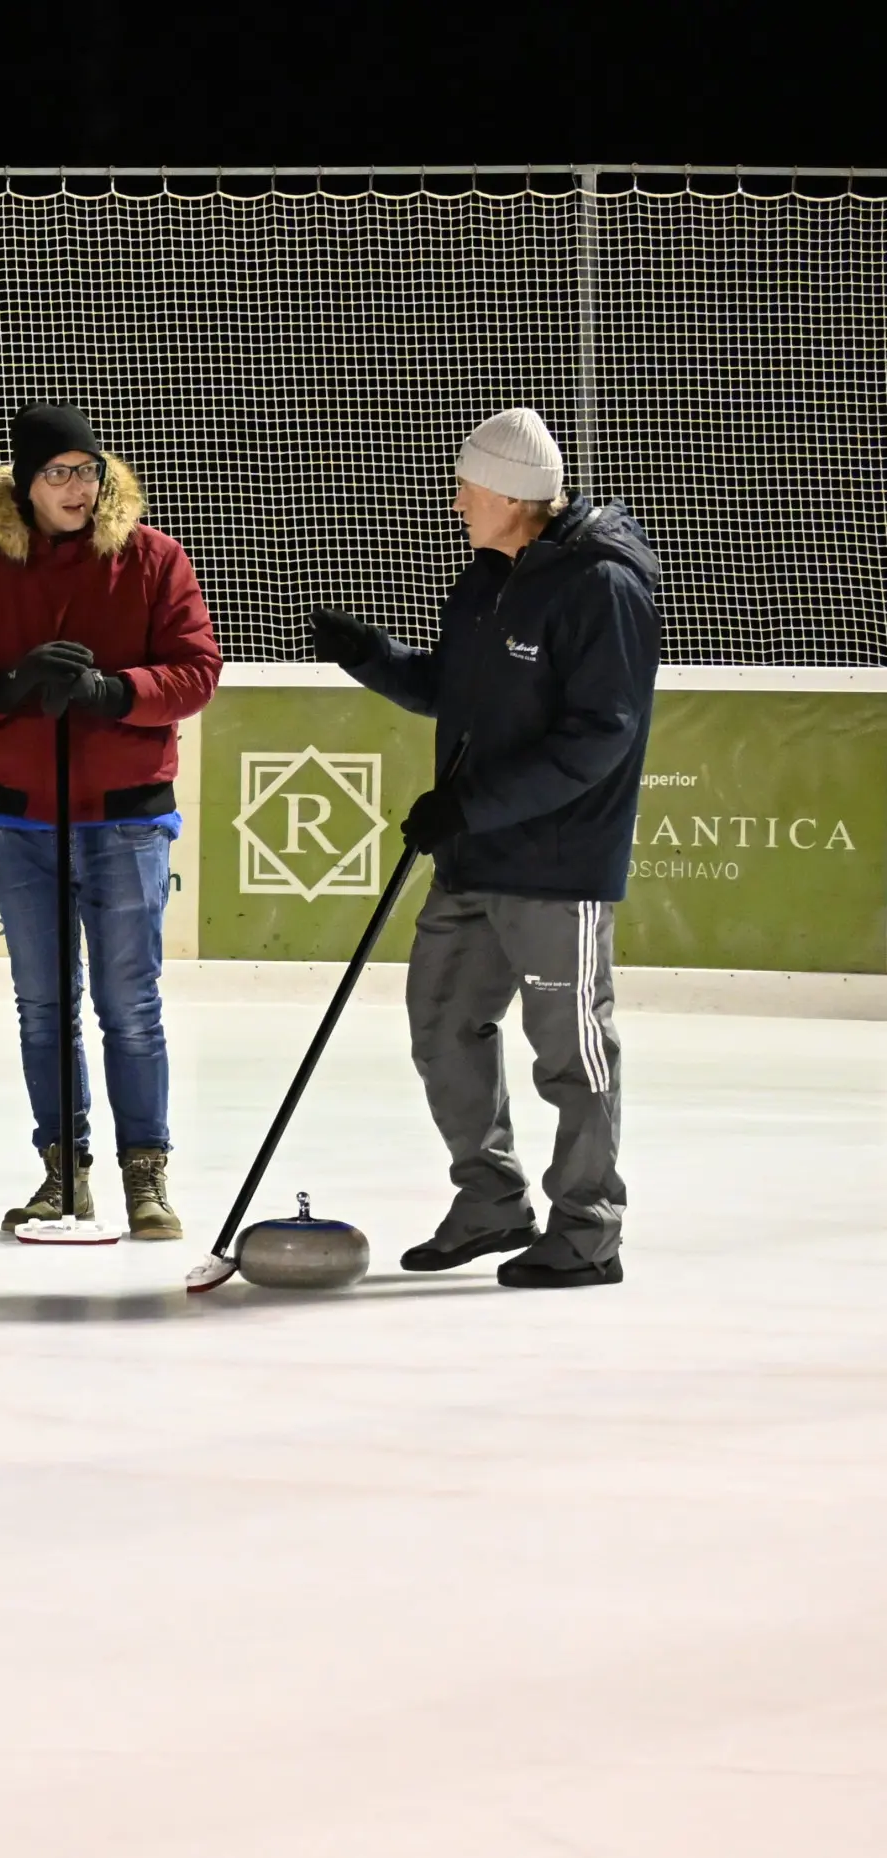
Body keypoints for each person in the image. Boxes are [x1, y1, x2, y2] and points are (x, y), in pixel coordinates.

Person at [310, 408, 658, 1289]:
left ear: (513, 493)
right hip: (472, 860)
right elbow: (455, 690)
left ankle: (588, 1231)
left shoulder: (601, 588)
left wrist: (468, 806)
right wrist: (373, 657)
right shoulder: (486, 575)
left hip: (553, 866)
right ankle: (491, 1201)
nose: (456, 499)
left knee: (571, 1053)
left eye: (467, 485)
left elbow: (596, 740)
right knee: (440, 1027)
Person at [0, 403, 220, 1238]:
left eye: (88, 470)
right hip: (23, 824)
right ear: (25, 483)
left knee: (130, 1004)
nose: (76, 487)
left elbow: (197, 670)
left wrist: (116, 693)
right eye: (58, 473)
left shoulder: (153, 559)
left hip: (125, 821)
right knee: (44, 1006)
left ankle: (146, 1176)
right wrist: (5, 688)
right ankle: (65, 1172)